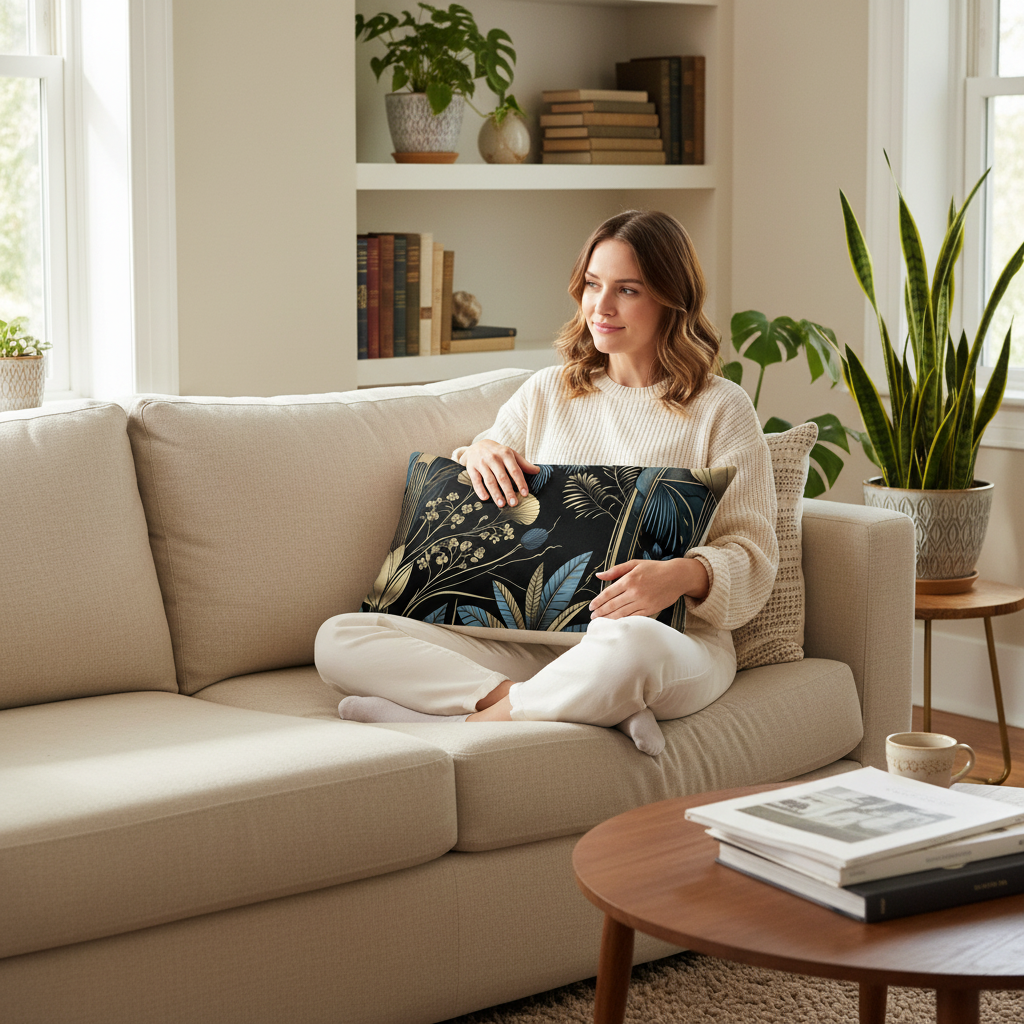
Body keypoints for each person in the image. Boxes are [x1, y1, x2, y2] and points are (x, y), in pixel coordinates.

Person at [315, 210, 778, 755]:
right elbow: (484, 466)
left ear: (671, 300)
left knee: (632, 649)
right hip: (532, 642)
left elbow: (754, 558)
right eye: (591, 284)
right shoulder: (549, 391)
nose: (600, 307)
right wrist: (478, 451)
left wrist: (680, 576)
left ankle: (470, 725)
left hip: (665, 640)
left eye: (627, 290)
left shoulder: (721, 408)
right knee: (341, 637)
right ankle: (576, 704)